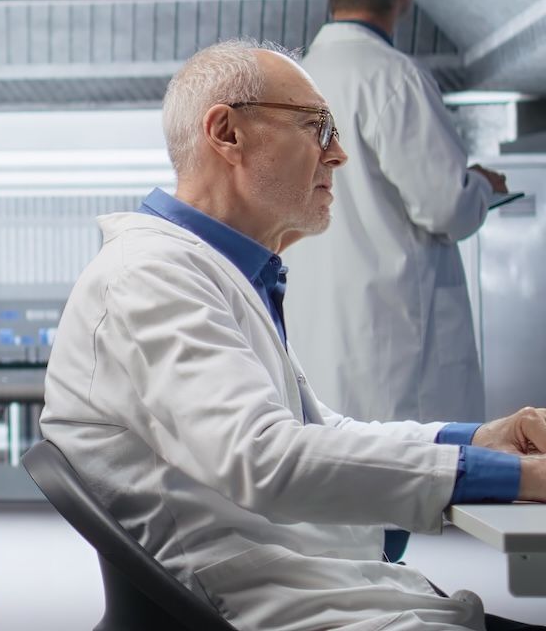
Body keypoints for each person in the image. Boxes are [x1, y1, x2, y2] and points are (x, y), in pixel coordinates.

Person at [41, 40, 545, 631]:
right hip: (267, 608)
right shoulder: (149, 277)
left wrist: (483, 441)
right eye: (317, 127)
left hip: (312, 585)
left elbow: (319, 433)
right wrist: (518, 477)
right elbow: (264, 458)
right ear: (227, 133)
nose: (338, 154)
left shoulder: (208, 273)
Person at [286, 0, 506, 424]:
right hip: (398, 361)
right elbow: (446, 208)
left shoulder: (294, 83)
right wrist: (480, 186)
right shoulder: (393, 79)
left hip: (319, 350)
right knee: (409, 468)